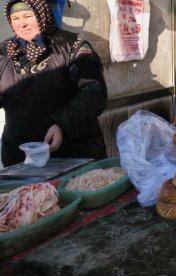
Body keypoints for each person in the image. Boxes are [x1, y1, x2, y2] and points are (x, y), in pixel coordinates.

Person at [0, 0, 107, 167]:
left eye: (28, 16)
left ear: (43, 15)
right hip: (20, 160)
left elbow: (93, 92)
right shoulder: (4, 52)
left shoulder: (72, 47)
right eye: (15, 18)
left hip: (72, 154)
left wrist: (62, 124)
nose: (22, 24)